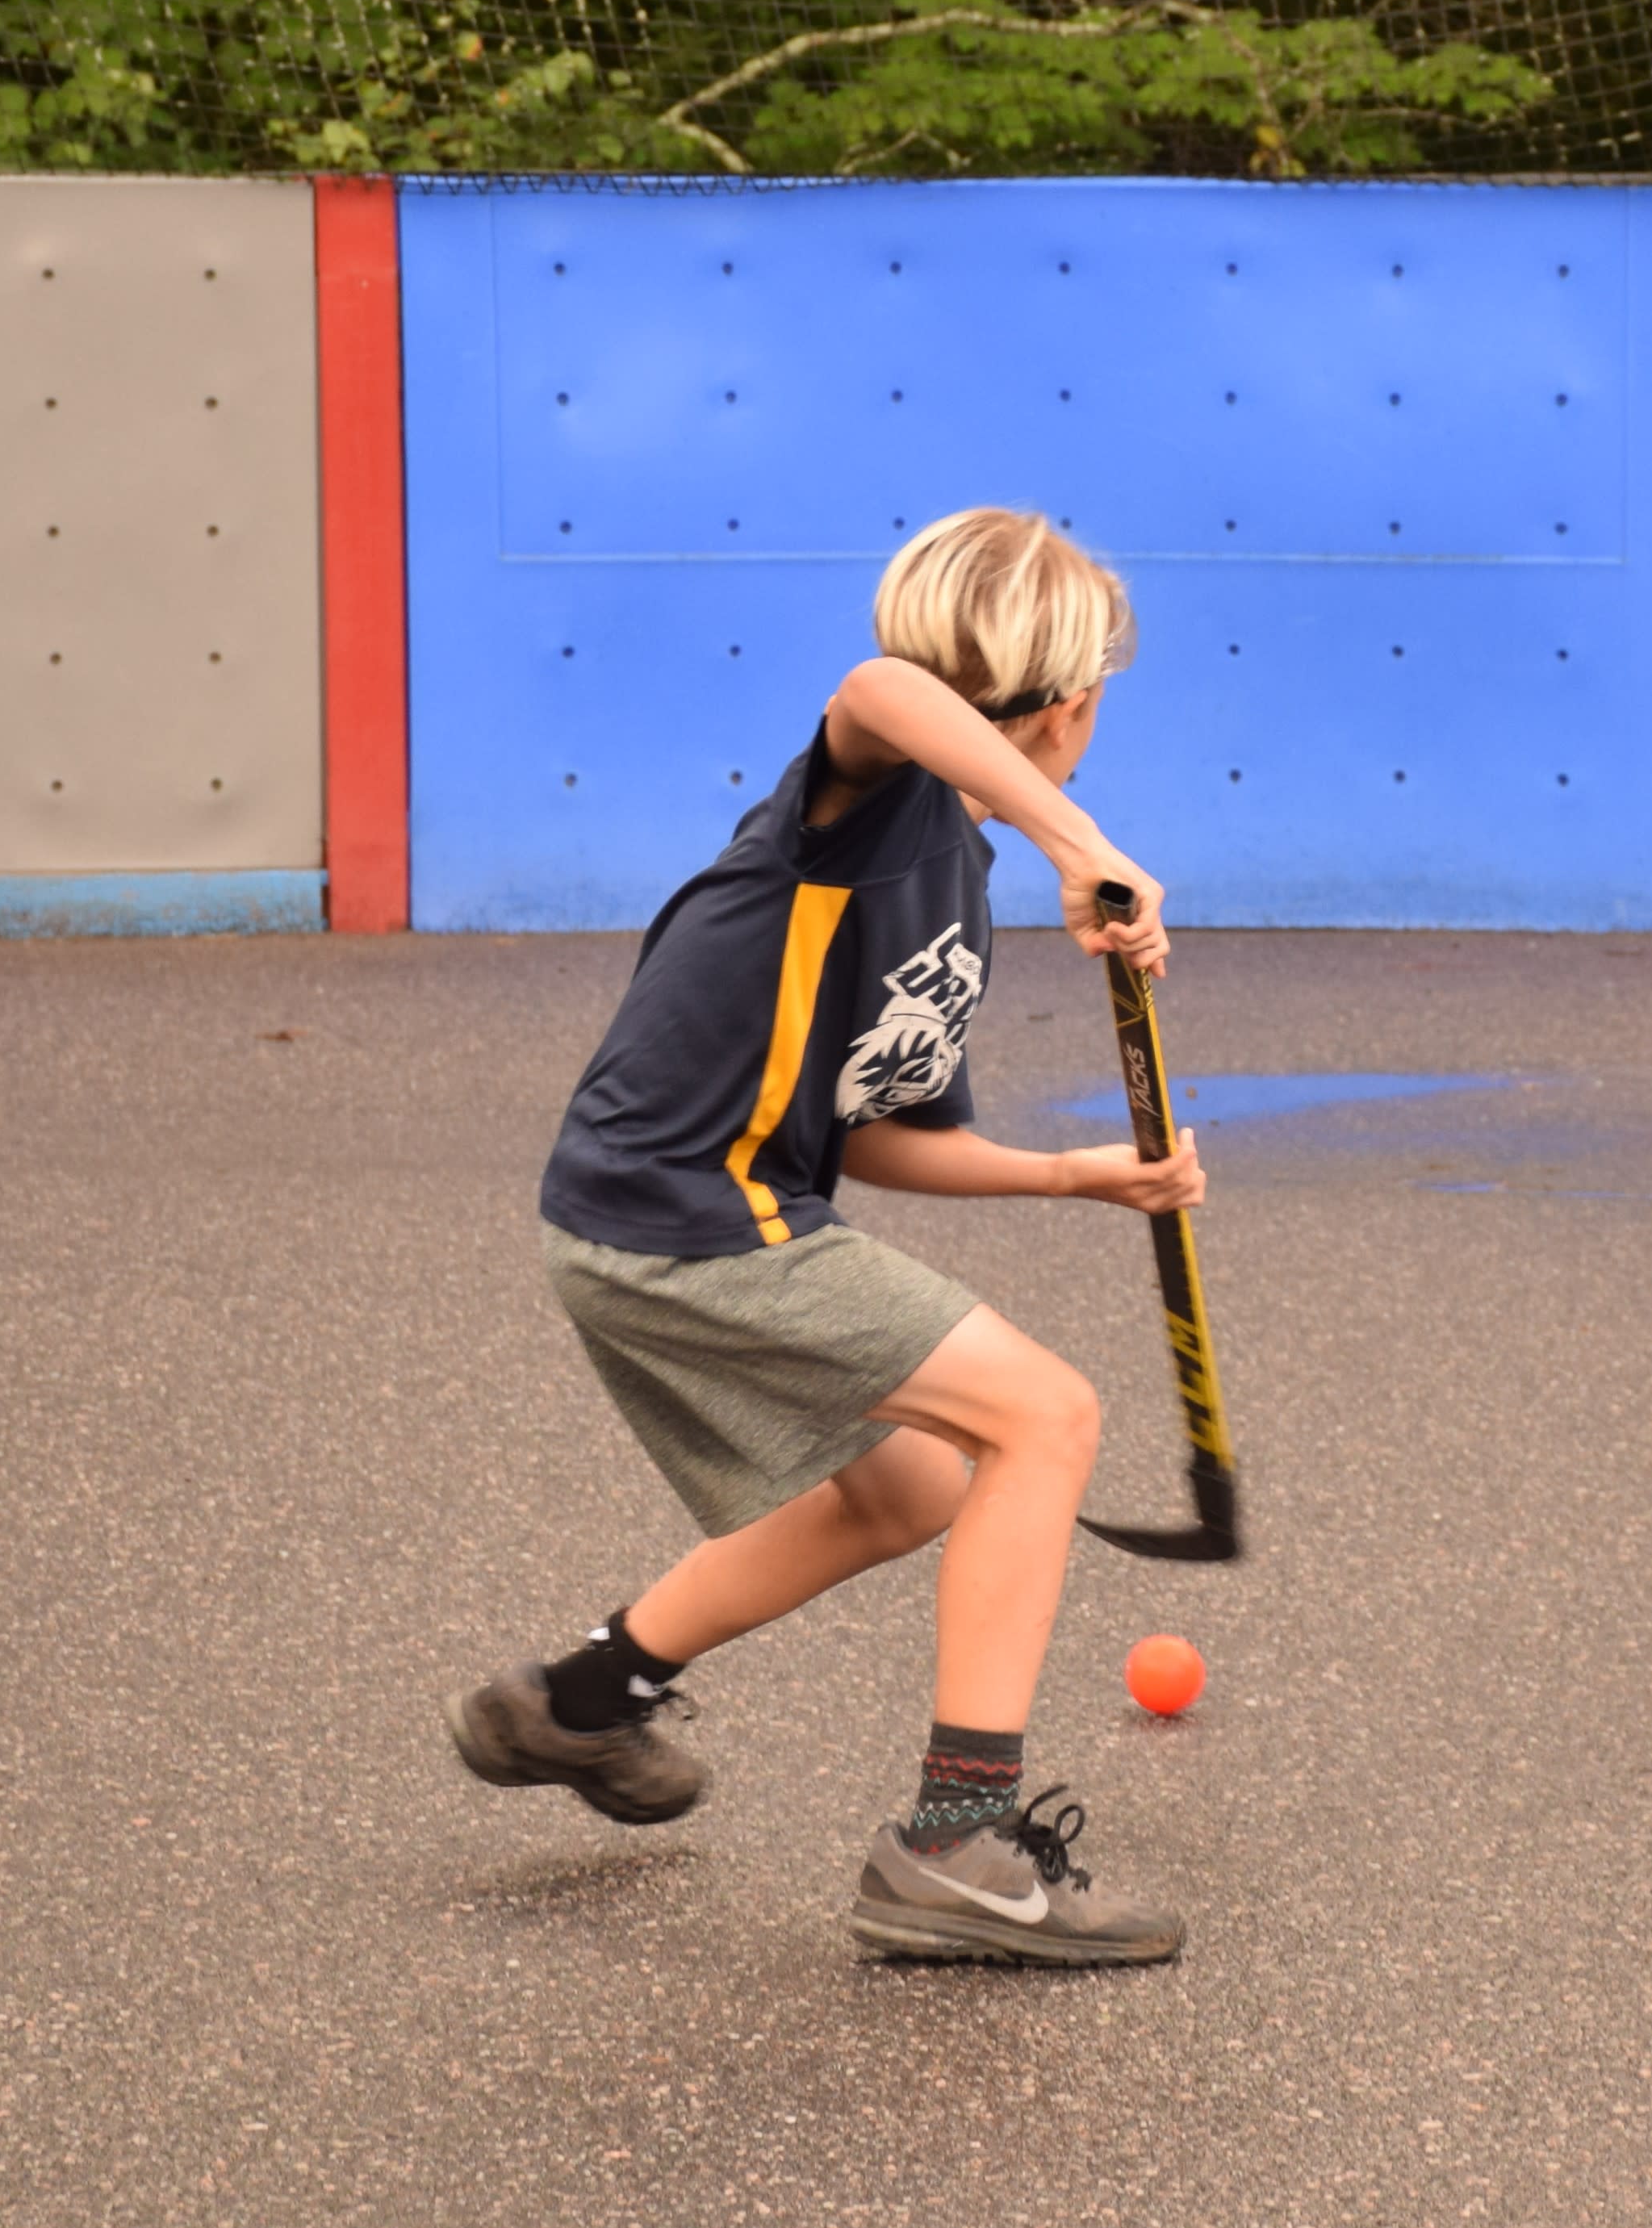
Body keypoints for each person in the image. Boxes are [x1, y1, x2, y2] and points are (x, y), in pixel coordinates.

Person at [449, 508, 1206, 1966]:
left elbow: (866, 1130)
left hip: (686, 1211)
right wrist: (1082, 841)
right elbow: (878, 691)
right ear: (1070, 708)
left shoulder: (955, 882)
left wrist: (1080, 1178)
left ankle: (583, 1699)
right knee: (1047, 1417)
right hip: (686, 1216)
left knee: (906, 1489)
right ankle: (955, 1845)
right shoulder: (886, 793)